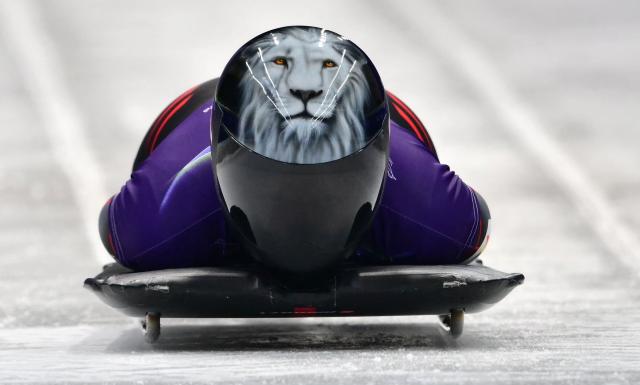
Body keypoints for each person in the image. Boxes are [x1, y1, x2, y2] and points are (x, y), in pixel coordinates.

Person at [98, 26, 491, 272]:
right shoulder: (157, 215)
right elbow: (479, 225)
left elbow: (113, 227)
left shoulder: (149, 229)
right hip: (196, 121)